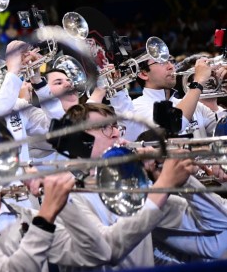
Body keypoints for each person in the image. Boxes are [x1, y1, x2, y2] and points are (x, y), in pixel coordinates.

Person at [48, 103, 227, 269]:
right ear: (78, 139)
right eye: (104, 127)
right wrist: (163, 185)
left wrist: (183, 180)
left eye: (116, 126)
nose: (116, 133)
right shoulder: (62, 196)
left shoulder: (134, 188)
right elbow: (107, 250)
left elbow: (218, 229)